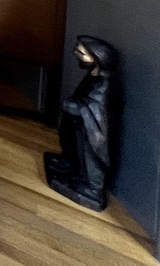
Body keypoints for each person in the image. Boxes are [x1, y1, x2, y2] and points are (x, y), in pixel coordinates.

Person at [43, 35, 117, 210]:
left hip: (89, 133)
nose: (77, 54)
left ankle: (92, 188)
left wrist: (73, 106)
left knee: (87, 156)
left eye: (82, 53)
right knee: (73, 146)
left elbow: (95, 109)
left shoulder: (103, 85)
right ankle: (70, 163)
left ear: (96, 59)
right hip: (78, 127)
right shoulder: (93, 76)